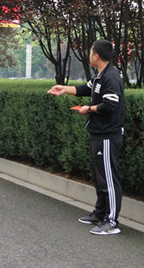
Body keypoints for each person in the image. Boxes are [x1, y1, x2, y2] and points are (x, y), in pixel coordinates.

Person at [48, 40, 125, 236]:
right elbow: (85, 89)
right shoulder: (100, 76)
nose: (89, 55)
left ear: (96, 56)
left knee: (109, 180)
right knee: (100, 180)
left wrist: (87, 109)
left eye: (90, 52)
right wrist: (64, 88)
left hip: (108, 136)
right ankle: (99, 214)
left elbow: (110, 106)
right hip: (98, 134)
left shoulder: (111, 77)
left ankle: (111, 221)